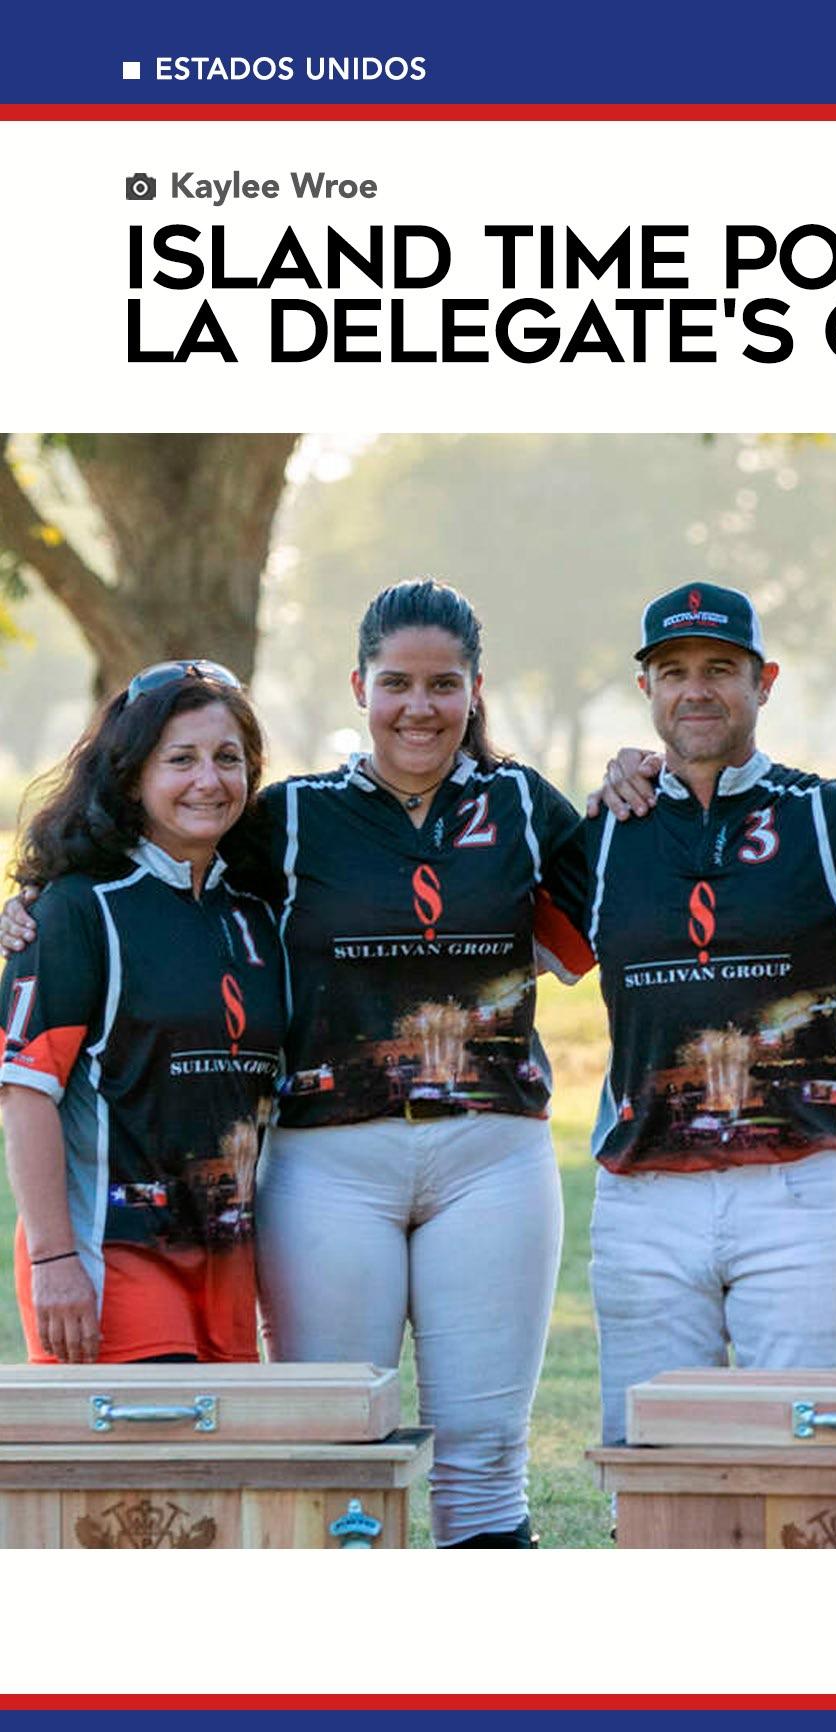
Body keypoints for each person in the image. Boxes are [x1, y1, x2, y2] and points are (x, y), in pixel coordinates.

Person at [3, 583, 592, 1548]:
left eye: (443, 684)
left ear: (476, 691)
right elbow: (137, 880)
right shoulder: (286, 821)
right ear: (359, 686)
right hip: (314, 1173)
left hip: (481, 1162)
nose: (418, 706)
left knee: (482, 1453)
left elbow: (639, 910)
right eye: (396, 682)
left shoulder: (523, 805)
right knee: (322, 1452)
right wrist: (34, 906)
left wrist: (633, 782)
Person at [584, 582, 836, 1446]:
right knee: (652, 1468)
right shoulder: (600, 832)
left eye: (720, 668)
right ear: (646, 688)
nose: (697, 690)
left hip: (796, 1190)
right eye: (674, 671)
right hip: (643, 1195)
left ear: (765, 681)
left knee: (804, 1464)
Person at [0, 661, 284, 1366]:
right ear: (131, 778)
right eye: (180, 760)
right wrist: (53, 1259)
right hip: (110, 1258)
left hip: (226, 1264)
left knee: (222, 1443)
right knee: (157, 1438)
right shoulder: (74, 910)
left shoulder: (260, 910)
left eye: (227, 759)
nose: (208, 780)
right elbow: (24, 1093)